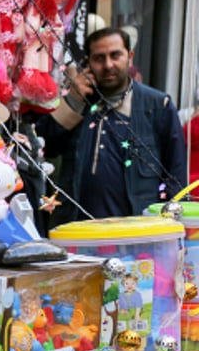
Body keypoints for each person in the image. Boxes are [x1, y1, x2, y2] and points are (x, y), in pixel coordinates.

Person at [37, 27, 186, 222]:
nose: (108, 65)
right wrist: (73, 101)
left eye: (115, 55)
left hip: (137, 234)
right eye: (99, 58)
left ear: (130, 56)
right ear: (88, 63)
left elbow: (175, 176)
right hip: (79, 232)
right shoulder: (80, 102)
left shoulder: (157, 106)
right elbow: (46, 146)